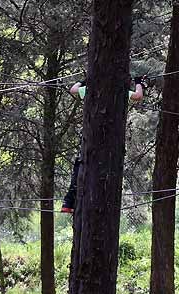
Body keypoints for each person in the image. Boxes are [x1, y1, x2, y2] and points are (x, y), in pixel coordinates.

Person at [61, 76, 148, 214]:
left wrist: (84, 81)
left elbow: (73, 89)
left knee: (81, 165)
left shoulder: (91, 90)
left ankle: (69, 201)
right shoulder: (119, 92)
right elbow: (138, 96)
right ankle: (84, 201)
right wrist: (138, 83)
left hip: (91, 135)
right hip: (111, 139)